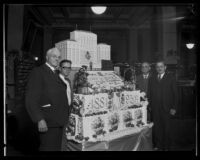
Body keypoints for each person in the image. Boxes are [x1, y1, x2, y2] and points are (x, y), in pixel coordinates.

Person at [25, 48, 70, 151]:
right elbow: (31, 99)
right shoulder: (38, 72)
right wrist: (39, 119)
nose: (57, 59)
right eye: (54, 56)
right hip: (48, 120)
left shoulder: (56, 72)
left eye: (59, 57)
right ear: (47, 57)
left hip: (58, 120)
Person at [147, 60, 178, 151]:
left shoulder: (171, 78)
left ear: (165, 67)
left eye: (161, 66)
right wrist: (149, 105)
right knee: (156, 128)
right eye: (157, 67)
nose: (159, 68)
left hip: (167, 108)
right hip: (155, 108)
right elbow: (149, 93)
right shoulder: (152, 78)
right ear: (156, 68)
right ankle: (158, 145)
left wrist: (174, 108)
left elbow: (176, 94)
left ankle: (166, 147)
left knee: (167, 128)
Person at [58, 59, 73, 151]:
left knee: (65, 135)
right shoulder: (56, 81)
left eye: (69, 68)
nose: (67, 70)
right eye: (64, 67)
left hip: (68, 111)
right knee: (60, 137)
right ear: (60, 68)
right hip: (59, 113)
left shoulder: (68, 81)